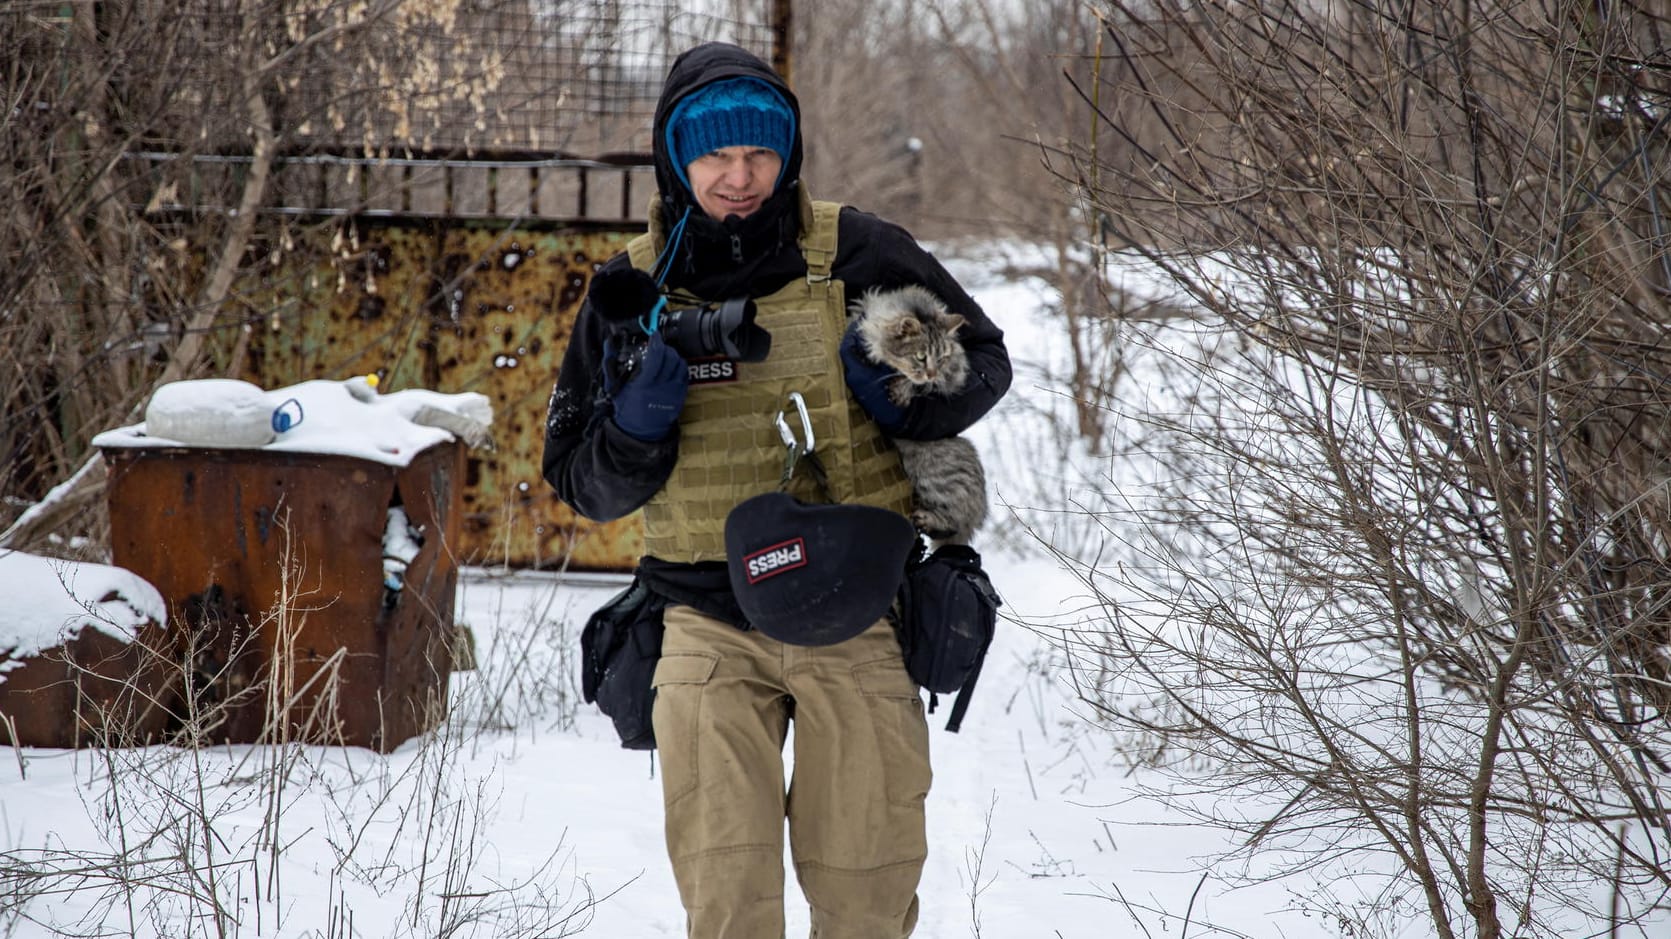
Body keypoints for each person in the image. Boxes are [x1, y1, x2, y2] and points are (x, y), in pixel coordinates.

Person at [541, 40, 1011, 938]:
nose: (739, 176)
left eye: (760, 152)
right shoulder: (631, 290)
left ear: (787, 152)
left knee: (866, 895)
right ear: (676, 157)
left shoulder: (857, 249)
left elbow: (983, 364)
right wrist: (635, 428)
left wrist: (896, 386)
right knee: (727, 904)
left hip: (860, 615)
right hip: (703, 621)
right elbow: (580, 483)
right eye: (714, 154)